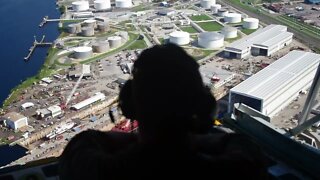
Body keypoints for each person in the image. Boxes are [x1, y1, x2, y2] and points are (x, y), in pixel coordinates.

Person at [59, 44, 267, 180]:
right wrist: (189, 141)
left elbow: (84, 142)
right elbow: (242, 146)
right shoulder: (236, 170)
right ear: (203, 106)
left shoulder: (95, 170)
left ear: (129, 105)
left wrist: (143, 143)